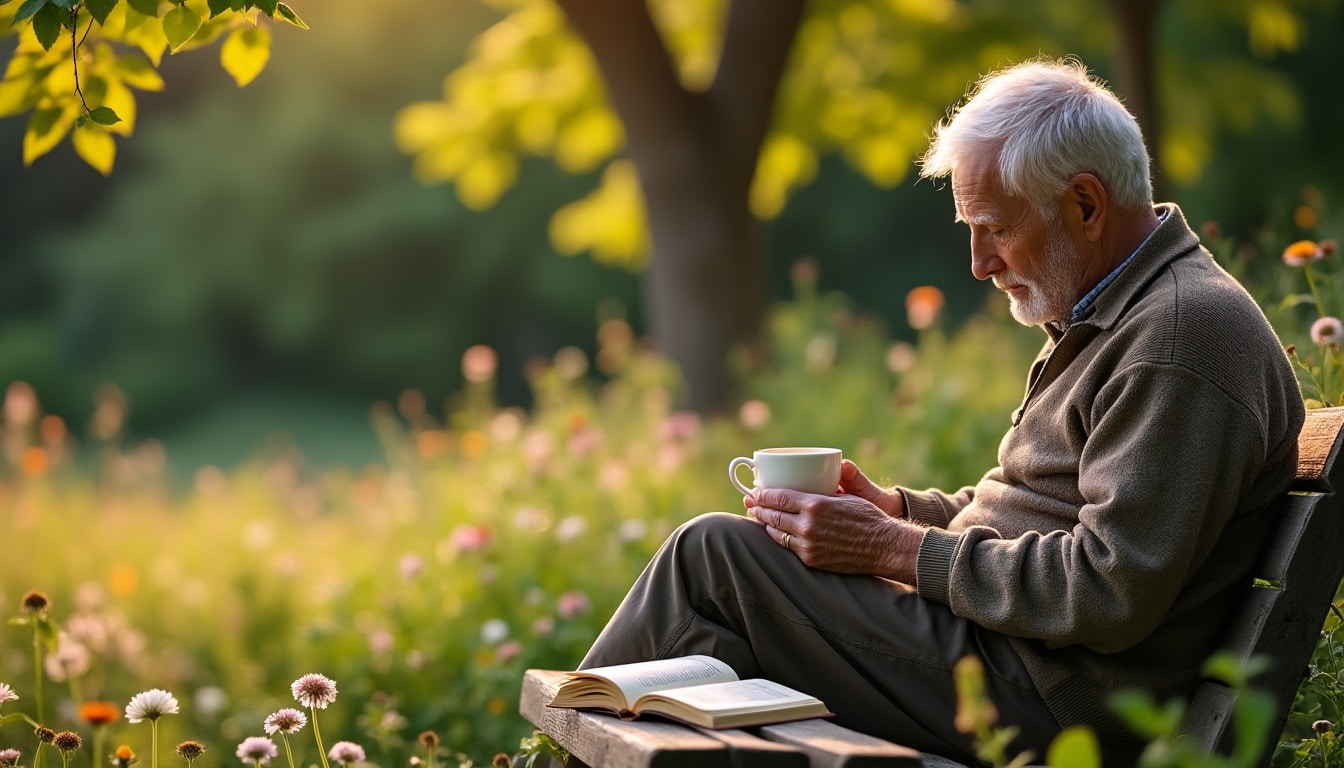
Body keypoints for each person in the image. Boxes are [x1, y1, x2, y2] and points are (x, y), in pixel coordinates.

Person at [577, 57, 1305, 765]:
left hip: (1047, 699)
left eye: (994, 227)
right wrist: (898, 511)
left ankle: (546, 756)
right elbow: (1040, 514)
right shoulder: (1122, 316)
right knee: (714, 647)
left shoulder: (1178, 338)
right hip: (1006, 657)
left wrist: (887, 549)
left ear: (1085, 205)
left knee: (714, 561)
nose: (979, 263)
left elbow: (1109, 590)